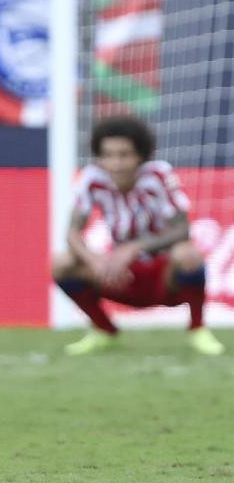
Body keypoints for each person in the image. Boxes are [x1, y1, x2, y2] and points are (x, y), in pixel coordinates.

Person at [53, 116, 225, 357]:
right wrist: (95, 260)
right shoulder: (92, 179)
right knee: (61, 263)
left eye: (124, 155)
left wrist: (135, 248)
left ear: (140, 155)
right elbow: (72, 233)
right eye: (108, 155)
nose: (116, 163)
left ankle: (198, 330)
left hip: (163, 276)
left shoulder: (158, 175)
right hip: (121, 276)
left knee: (189, 254)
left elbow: (182, 230)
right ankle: (104, 330)